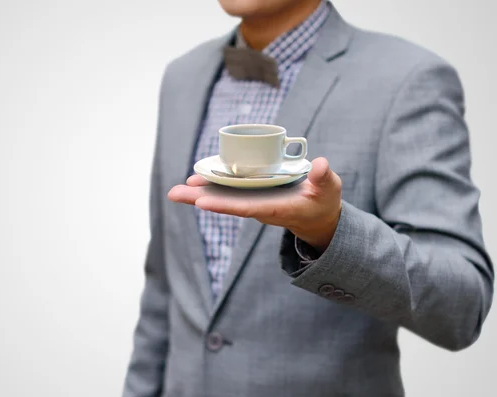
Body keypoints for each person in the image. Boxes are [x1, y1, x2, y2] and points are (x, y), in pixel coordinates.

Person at [122, 0, 494, 396]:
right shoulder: (183, 76)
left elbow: (462, 307)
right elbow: (164, 283)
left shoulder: (408, 78)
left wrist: (330, 233)